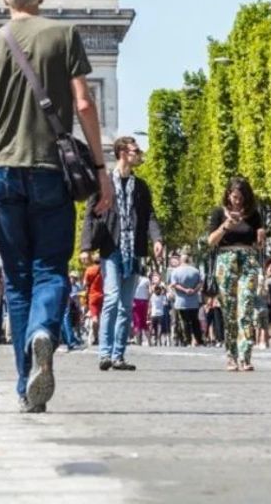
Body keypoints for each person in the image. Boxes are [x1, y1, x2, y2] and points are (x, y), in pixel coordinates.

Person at [0, 0, 113, 413]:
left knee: (18, 282)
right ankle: (44, 332)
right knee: (51, 269)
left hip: (5, 173)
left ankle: (22, 383)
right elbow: (85, 103)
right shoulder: (65, 34)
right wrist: (100, 166)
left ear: (3, 0)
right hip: (53, 170)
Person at [81, 135, 164, 372]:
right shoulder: (103, 182)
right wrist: (86, 247)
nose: (139, 153)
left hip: (133, 251)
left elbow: (149, 216)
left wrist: (157, 239)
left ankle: (118, 355)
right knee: (111, 299)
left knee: (125, 305)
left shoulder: (141, 186)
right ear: (123, 153)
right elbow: (90, 215)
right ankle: (104, 354)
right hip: (111, 248)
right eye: (135, 150)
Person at [206, 176, 267, 371]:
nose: (237, 201)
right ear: (228, 195)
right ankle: (231, 355)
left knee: (247, 306)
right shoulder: (218, 213)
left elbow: (258, 244)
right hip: (226, 260)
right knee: (230, 311)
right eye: (234, 197)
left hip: (248, 259)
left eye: (241, 197)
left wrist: (261, 237)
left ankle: (245, 356)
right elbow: (211, 241)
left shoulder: (254, 215)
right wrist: (226, 226)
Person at [169, 254, 205, 347]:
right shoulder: (196, 271)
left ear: (181, 260)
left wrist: (185, 290)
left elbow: (174, 284)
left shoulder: (175, 271)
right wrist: (194, 290)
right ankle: (199, 340)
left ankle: (188, 340)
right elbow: (201, 282)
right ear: (189, 260)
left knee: (185, 321)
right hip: (194, 300)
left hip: (181, 301)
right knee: (195, 320)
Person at [81, 253, 103, 345]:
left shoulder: (89, 270)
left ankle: (96, 337)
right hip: (103, 295)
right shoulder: (104, 270)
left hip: (93, 296)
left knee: (94, 317)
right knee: (103, 316)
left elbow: (84, 284)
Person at [132, 268, 152, 347]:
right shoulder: (147, 280)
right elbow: (150, 291)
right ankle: (149, 341)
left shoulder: (134, 280)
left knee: (136, 321)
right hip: (144, 302)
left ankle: (138, 341)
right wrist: (148, 297)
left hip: (135, 301)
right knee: (144, 321)